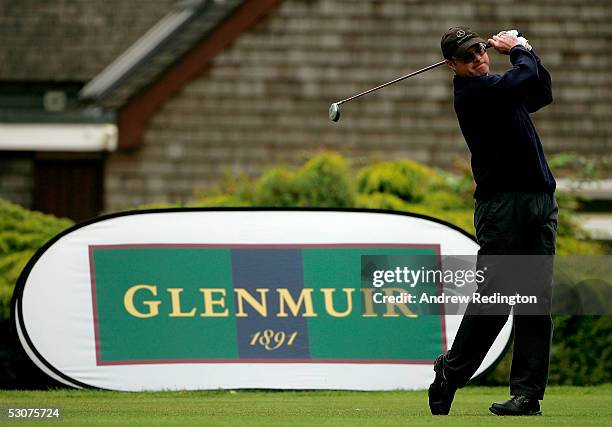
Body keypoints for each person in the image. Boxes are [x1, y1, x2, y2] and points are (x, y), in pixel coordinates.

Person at [428, 27, 558, 416]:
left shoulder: (499, 86)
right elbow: (526, 76)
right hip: (501, 208)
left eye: (481, 51)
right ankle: (451, 372)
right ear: (452, 65)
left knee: (535, 303)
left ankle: (527, 395)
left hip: (538, 202)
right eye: (468, 57)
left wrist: (527, 50)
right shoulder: (474, 94)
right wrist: (518, 48)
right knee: (496, 303)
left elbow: (542, 90)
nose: (479, 58)